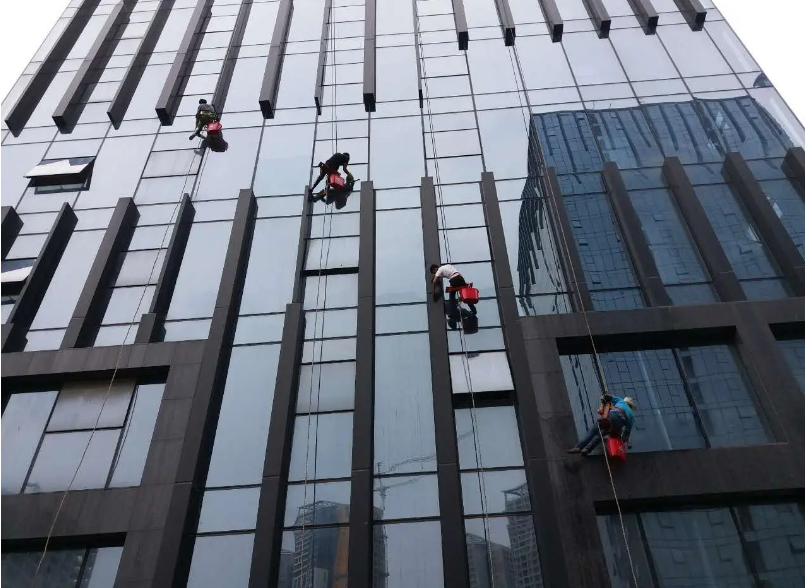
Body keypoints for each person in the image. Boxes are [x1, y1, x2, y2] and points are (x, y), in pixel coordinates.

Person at [568, 394, 636, 456]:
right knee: (602, 433)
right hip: (617, 426)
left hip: (612, 416)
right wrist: (623, 440)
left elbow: (607, 397)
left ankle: (579, 447)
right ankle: (588, 449)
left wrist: (603, 400)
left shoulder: (621, 401)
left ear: (625, 401)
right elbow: (626, 433)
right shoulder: (631, 415)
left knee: (594, 430)